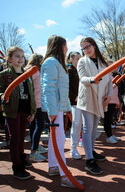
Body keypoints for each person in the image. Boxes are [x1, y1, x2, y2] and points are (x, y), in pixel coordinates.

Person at [41, 35, 83, 188]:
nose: (67, 48)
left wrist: (64, 108)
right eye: (65, 45)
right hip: (55, 109)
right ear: (59, 46)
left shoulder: (57, 63)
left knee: (56, 140)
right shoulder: (52, 62)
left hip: (58, 108)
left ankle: (53, 167)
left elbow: (59, 88)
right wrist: (53, 110)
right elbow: (49, 88)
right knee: (58, 141)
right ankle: (65, 176)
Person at [77, 37, 113, 174]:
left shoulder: (102, 61)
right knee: (88, 127)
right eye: (84, 48)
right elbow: (82, 78)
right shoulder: (82, 61)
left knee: (94, 129)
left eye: (88, 46)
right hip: (88, 97)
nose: (86, 50)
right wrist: (93, 80)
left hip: (100, 99)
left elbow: (109, 80)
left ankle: (91, 151)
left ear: (94, 46)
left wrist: (109, 95)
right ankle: (89, 160)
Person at [0, 46, 36, 179]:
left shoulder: (27, 74)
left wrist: (32, 110)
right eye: (17, 56)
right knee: (15, 138)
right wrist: (3, 96)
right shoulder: (4, 75)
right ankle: (17, 167)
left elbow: (30, 93)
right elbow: (1, 90)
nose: (21, 59)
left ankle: (21, 158)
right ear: (9, 59)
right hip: (12, 111)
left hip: (25, 110)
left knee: (22, 137)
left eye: (22, 56)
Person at [25, 53, 48, 162]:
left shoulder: (31, 71)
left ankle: (35, 146)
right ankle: (33, 152)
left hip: (35, 102)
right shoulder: (34, 72)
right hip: (37, 103)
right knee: (40, 125)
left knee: (34, 125)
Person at [67, 51, 83, 160]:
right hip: (74, 102)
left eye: (80, 58)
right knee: (76, 124)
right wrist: (74, 97)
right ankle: (73, 149)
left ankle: (77, 142)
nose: (79, 60)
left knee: (80, 123)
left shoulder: (81, 70)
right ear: (71, 59)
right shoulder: (69, 71)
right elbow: (67, 87)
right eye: (77, 59)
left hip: (83, 101)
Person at [103, 60, 121, 144]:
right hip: (108, 100)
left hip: (113, 100)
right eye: (110, 66)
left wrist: (117, 101)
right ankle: (108, 136)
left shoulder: (111, 75)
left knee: (110, 119)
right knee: (107, 119)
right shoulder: (105, 76)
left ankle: (110, 134)